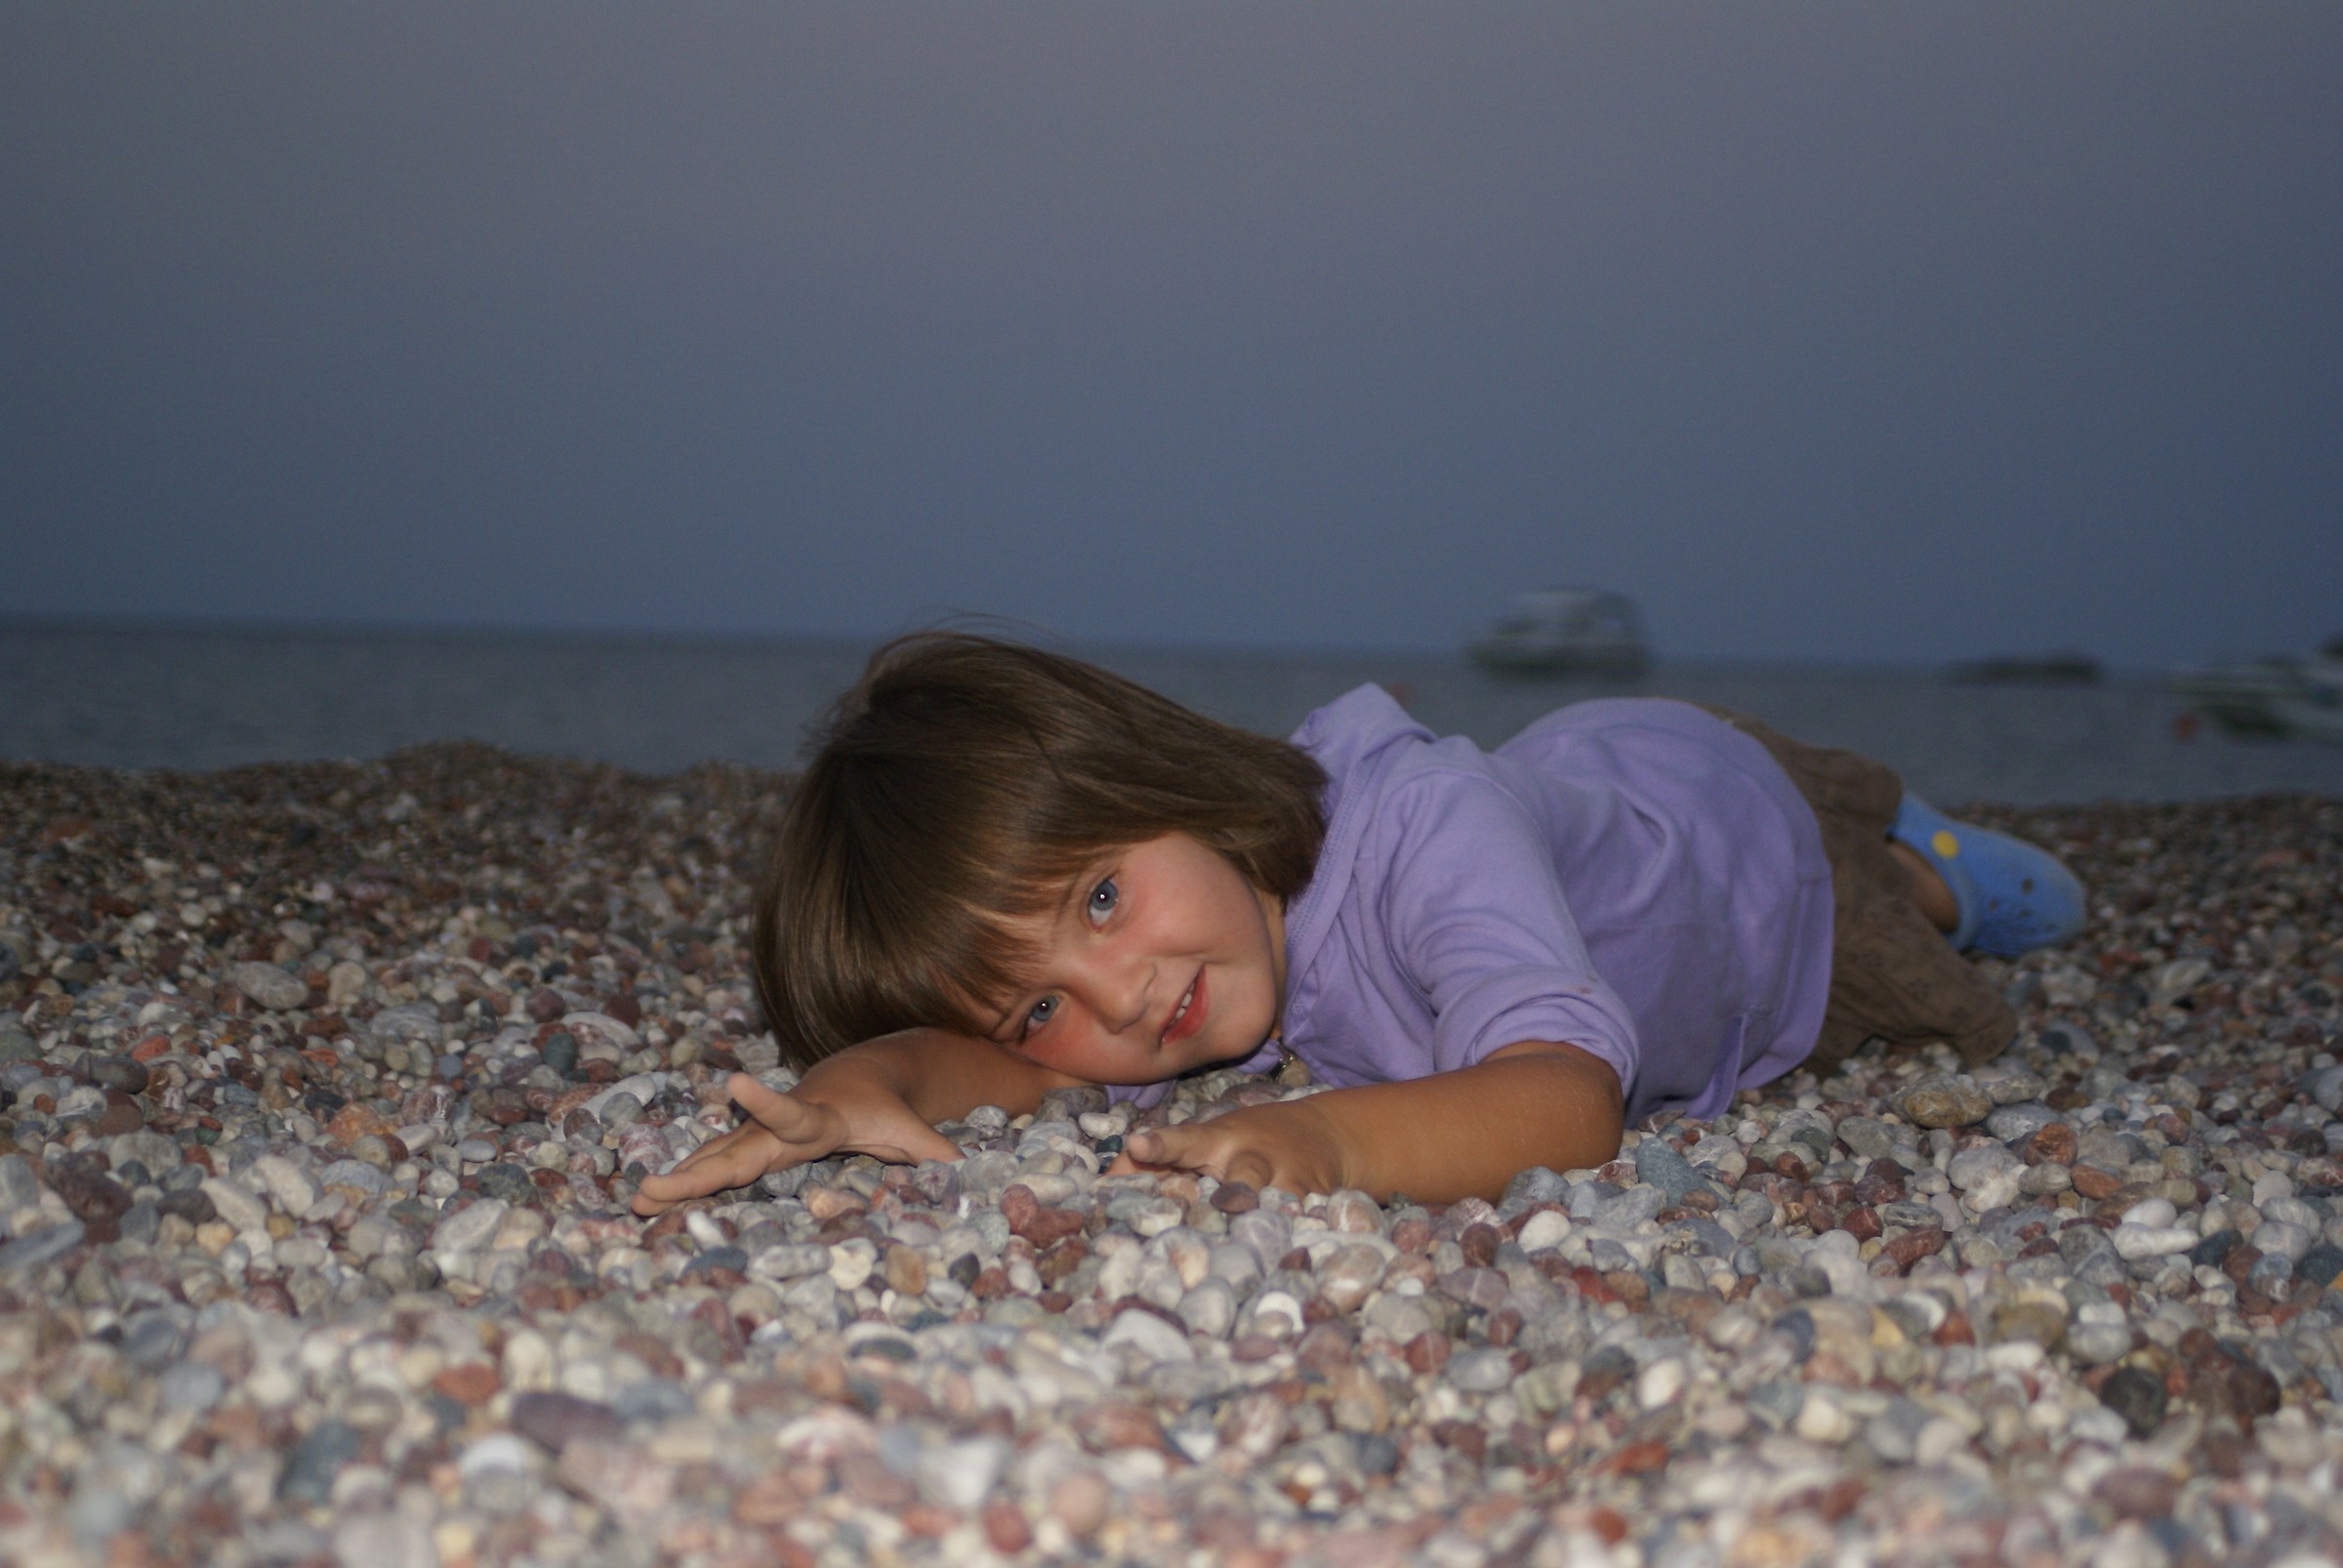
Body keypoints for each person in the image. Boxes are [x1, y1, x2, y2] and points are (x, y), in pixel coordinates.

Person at [634, 633, 2086, 1213]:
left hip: (1743, 860)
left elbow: (1568, 1102)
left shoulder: (1423, 834)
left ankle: (1926, 852)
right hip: (1586, 793)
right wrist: (851, 1091)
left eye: (1098, 895)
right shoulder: (1206, 963)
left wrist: (1326, 1141)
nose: (1125, 997)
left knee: (1937, 950)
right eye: (1039, 998)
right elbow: (1003, 1072)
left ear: (1164, 777)